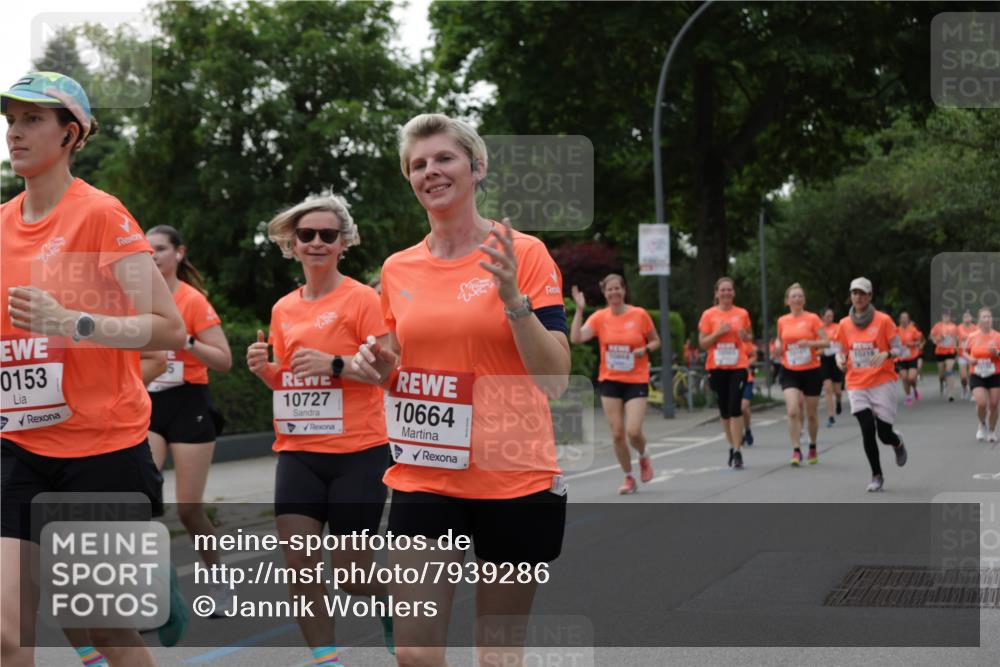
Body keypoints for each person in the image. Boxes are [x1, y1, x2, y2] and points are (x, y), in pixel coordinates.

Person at [351, 113, 570, 667]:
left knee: (497, 656)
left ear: (477, 167)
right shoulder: (397, 269)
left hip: (514, 477)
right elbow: (401, 364)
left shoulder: (525, 252)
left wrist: (512, 298)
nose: (431, 171)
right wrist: (381, 369)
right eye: (418, 164)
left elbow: (556, 378)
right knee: (415, 654)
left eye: (444, 158)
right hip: (427, 475)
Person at [2, 71, 185, 667]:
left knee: (104, 632)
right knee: (6, 633)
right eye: (10, 120)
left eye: (32, 120)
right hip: (18, 449)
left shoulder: (101, 216)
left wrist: (73, 323)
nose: (15, 132)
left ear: (70, 135)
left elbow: (167, 328)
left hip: (101, 452)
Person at [247, 194, 395, 663]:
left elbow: (387, 373)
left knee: (351, 576)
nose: (316, 242)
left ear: (343, 243)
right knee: (301, 567)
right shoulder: (283, 309)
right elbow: (291, 377)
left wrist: (335, 363)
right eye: (306, 234)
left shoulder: (363, 300)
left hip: (358, 451)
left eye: (327, 235)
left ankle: (394, 606)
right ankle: (325, 659)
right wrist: (266, 371)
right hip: (298, 452)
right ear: (292, 243)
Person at [145, 224, 233, 612]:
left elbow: (225, 361)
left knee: (188, 508)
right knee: (140, 498)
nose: (151, 255)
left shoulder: (192, 300)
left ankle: (218, 580)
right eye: (145, 250)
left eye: (160, 249)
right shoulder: (135, 298)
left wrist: (188, 341)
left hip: (189, 403)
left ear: (178, 254)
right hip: (146, 402)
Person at [570, 275, 660, 494]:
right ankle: (629, 477)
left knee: (633, 431)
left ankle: (643, 455)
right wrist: (580, 310)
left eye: (617, 288)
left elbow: (656, 341)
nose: (614, 293)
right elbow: (576, 338)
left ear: (624, 290)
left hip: (636, 379)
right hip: (610, 380)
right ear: (604, 293)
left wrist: (645, 350)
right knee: (618, 434)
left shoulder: (639, 315)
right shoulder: (600, 317)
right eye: (609, 290)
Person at [835, 278, 908, 492]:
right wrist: (840, 359)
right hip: (857, 382)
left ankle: (897, 443)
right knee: (867, 428)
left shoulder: (883, 320)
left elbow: (899, 348)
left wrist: (886, 353)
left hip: (882, 381)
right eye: (854, 293)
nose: (857, 297)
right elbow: (841, 349)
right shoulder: (844, 324)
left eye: (862, 293)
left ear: (870, 296)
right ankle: (877, 475)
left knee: (883, 434)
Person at [698, 277, 753, 469]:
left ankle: (738, 451)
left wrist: (745, 337)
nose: (726, 293)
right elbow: (703, 343)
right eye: (723, 290)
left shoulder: (742, 313)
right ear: (716, 293)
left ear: (734, 293)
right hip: (717, 366)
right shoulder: (708, 315)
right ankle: (731, 445)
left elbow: (749, 338)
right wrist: (718, 333)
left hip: (738, 365)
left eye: (729, 290)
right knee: (724, 410)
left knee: (735, 406)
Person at [775, 284, 828, 466]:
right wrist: (777, 345)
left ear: (804, 300)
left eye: (800, 296)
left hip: (811, 370)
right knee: (792, 411)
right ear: (787, 301)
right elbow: (780, 339)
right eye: (793, 296)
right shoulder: (782, 320)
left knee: (811, 414)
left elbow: (826, 342)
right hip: (789, 370)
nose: (797, 299)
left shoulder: (812, 318)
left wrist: (811, 344)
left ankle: (812, 446)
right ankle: (796, 450)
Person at [965, 307, 1000, 443]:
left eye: (989, 317)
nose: (987, 319)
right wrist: (970, 359)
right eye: (984, 317)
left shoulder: (997, 336)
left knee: (994, 404)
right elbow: (964, 352)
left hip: (995, 373)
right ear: (979, 320)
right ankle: (982, 424)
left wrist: (996, 353)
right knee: (981, 402)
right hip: (977, 373)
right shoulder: (972, 337)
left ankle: (991, 430)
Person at [819, 307, 844, 427]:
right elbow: (814, 349)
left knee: (837, 391)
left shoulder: (838, 327)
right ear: (822, 317)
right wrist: (822, 350)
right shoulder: (819, 330)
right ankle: (831, 416)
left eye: (832, 316)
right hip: (824, 361)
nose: (830, 318)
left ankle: (838, 401)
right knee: (828, 389)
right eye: (828, 316)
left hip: (836, 359)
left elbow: (843, 342)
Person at [895, 311, 924, 406]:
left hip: (912, 356)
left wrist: (912, 344)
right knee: (904, 378)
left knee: (911, 378)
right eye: (902, 318)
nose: (903, 319)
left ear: (908, 319)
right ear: (899, 320)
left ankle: (915, 389)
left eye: (905, 318)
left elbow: (919, 342)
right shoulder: (896, 330)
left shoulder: (913, 330)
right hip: (901, 358)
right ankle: (908, 396)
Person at [931, 310, 959, 401]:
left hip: (950, 351)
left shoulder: (954, 327)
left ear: (950, 317)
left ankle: (951, 393)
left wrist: (956, 350)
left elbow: (956, 339)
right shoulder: (937, 326)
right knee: (941, 374)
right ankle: (942, 383)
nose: (946, 317)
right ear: (942, 316)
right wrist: (935, 340)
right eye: (945, 316)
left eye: (948, 316)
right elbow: (931, 336)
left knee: (949, 370)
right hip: (940, 351)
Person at [957, 310, 977, 401]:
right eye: (965, 317)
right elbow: (954, 340)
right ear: (962, 319)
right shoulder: (958, 328)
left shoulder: (976, 328)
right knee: (963, 377)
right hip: (962, 354)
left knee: (972, 374)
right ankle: (964, 388)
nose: (967, 319)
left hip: (972, 354)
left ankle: (973, 391)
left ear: (971, 318)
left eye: (968, 317)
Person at [741, 338, 757, 446]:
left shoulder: (746, 342)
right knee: (735, 408)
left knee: (744, 407)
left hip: (747, 379)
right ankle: (740, 434)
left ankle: (747, 429)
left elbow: (754, 356)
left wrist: (745, 363)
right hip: (731, 379)